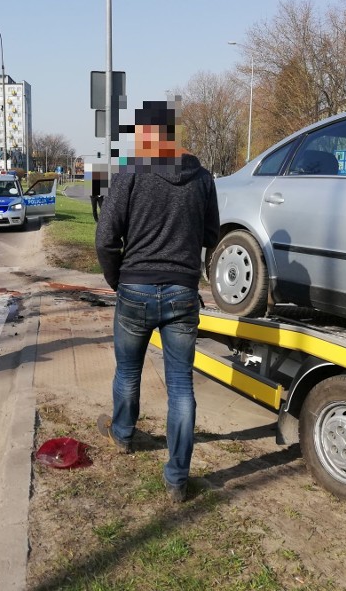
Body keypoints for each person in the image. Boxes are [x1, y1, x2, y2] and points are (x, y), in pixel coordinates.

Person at [95, 99, 220, 503]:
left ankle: (124, 434)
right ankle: (177, 479)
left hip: (134, 287)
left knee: (128, 370)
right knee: (181, 385)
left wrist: (117, 279)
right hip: (183, 291)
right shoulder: (203, 179)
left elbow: (104, 237)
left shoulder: (132, 173)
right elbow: (212, 236)